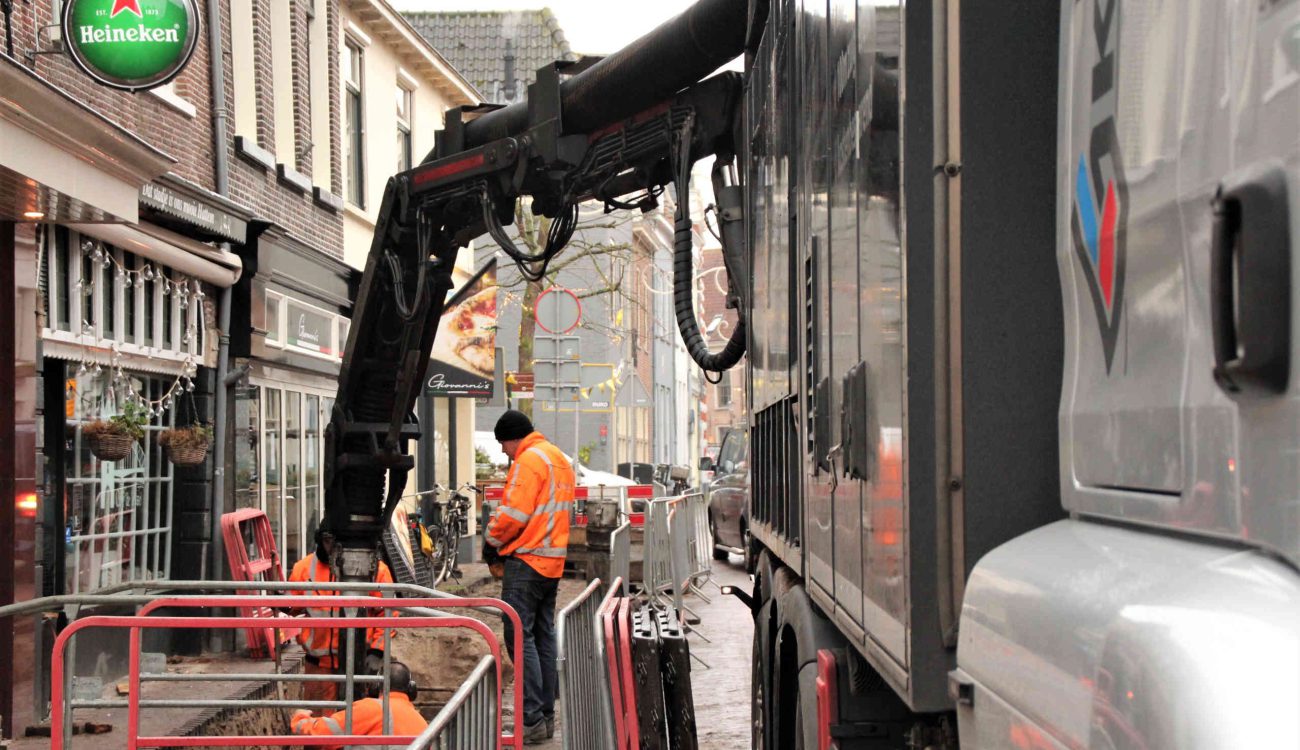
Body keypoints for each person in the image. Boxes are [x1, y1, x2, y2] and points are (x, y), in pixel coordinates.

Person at [485, 410, 575, 744]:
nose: (504, 453)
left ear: (512, 437)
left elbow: (513, 515)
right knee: (543, 635)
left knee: (520, 638)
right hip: (552, 563)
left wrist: (491, 541)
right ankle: (546, 718)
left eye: (503, 445)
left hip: (526, 561)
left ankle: (532, 718)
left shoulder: (528, 461)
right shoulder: (557, 458)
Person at [288, 527, 395, 705]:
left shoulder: (375, 570)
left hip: (360, 663)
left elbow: (389, 613)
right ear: (321, 539)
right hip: (318, 667)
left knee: (358, 719)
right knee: (320, 725)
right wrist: (279, 600)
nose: (333, 547)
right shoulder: (304, 569)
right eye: (328, 540)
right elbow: (292, 605)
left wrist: (377, 652)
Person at [291, 661, 427, 740]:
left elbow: (325, 734)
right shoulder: (421, 722)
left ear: (375, 685)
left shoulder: (373, 708)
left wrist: (300, 718)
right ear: (411, 689)